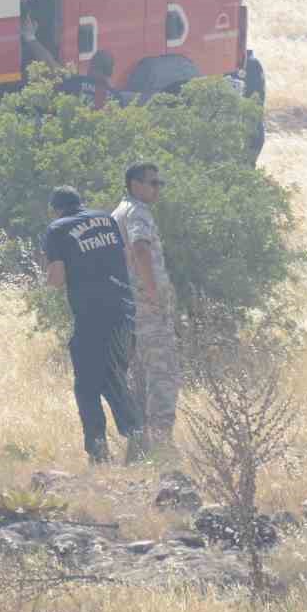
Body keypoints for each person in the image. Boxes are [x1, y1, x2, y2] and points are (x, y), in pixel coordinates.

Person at [44, 185, 142, 464]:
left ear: (56, 209)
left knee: (86, 387)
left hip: (91, 318)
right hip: (124, 312)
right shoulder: (106, 219)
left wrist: (47, 274)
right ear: (81, 202)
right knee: (114, 379)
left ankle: (98, 454)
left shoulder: (58, 229)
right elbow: (126, 259)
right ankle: (138, 442)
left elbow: (56, 279)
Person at [113, 163, 180, 456]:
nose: (157, 188)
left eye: (159, 183)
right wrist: (153, 293)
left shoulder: (119, 212)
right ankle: (163, 446)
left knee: (138, 377)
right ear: (135, 185)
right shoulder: (138, 212)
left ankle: (138, 448)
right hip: (148, 309)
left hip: (129, 308)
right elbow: (140, 249)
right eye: (153, 183)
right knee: (163, 374)